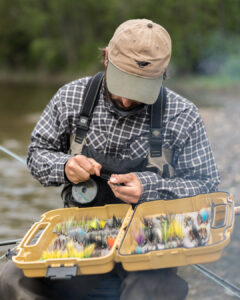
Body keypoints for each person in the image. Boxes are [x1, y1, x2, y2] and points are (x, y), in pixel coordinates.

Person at [0, 19, 219, 300]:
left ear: (163, 75)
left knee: (151, 290)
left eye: (140, 90)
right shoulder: (70, 97)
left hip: (150, 246)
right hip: (78, 237)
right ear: (106, 58)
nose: (127, 100)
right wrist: (64, 167)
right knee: (12, 276)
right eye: (122, 84)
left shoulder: (182, 114)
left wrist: (150, 188)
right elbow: (37, 156)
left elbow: (207, 187)